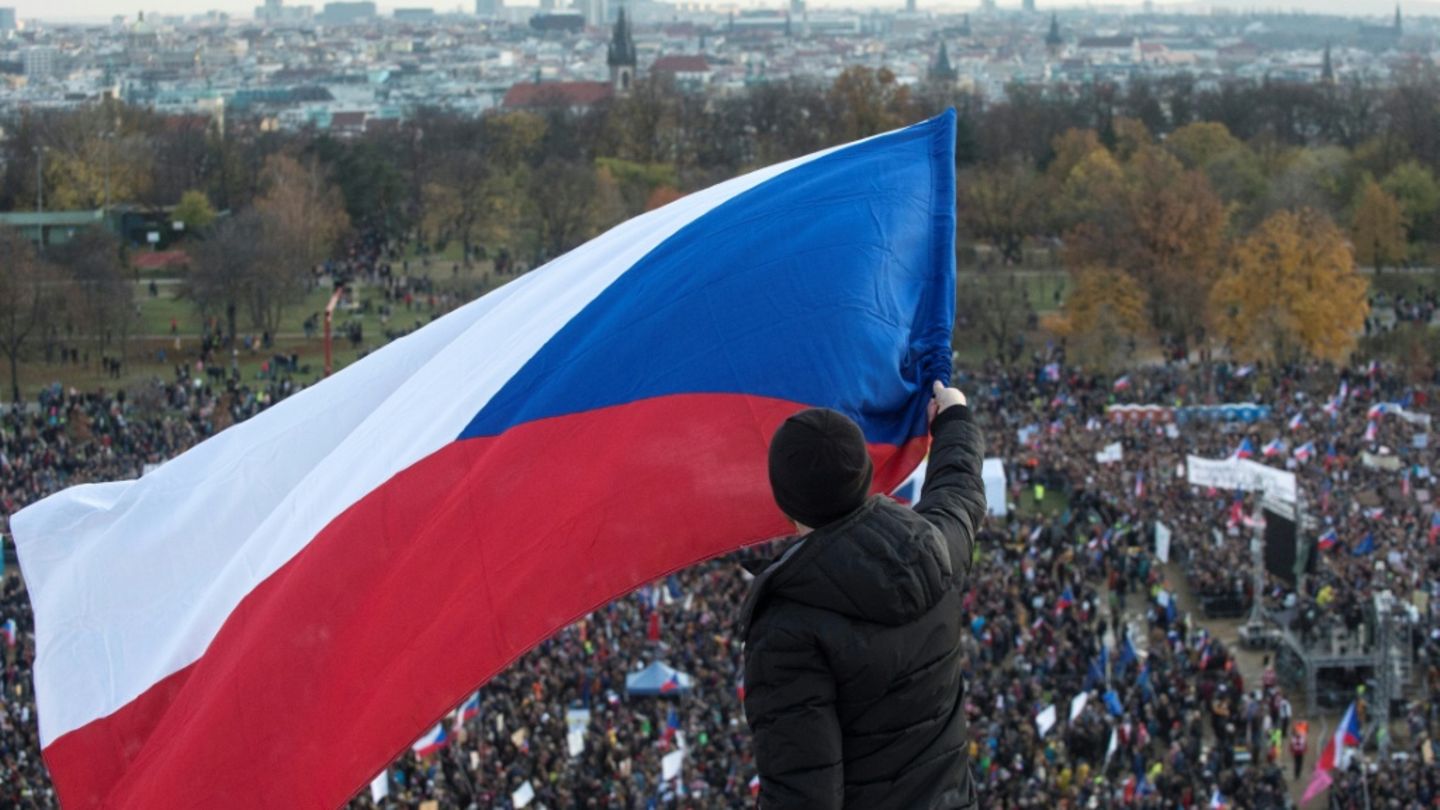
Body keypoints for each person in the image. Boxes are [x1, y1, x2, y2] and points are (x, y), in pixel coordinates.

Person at [740, 381, 986, 809]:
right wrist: (955, 419)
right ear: (864, 474)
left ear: (783, 501)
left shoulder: (786, 632)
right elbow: (959, 495)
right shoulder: (934, 548)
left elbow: (802, 796)